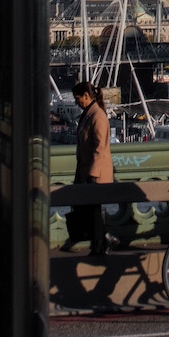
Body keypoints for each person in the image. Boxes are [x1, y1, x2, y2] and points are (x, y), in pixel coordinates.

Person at [72, 81, 115, 255]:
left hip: (95, 174)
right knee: (91, 212)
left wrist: (92, 175)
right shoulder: (89, 114)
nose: (77, 103)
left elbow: (100, 148)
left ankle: (100, 244)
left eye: (78, 99)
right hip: (86, 171)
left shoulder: (97, 116)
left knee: (94, 212)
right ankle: (103, 241)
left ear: (86, 96)